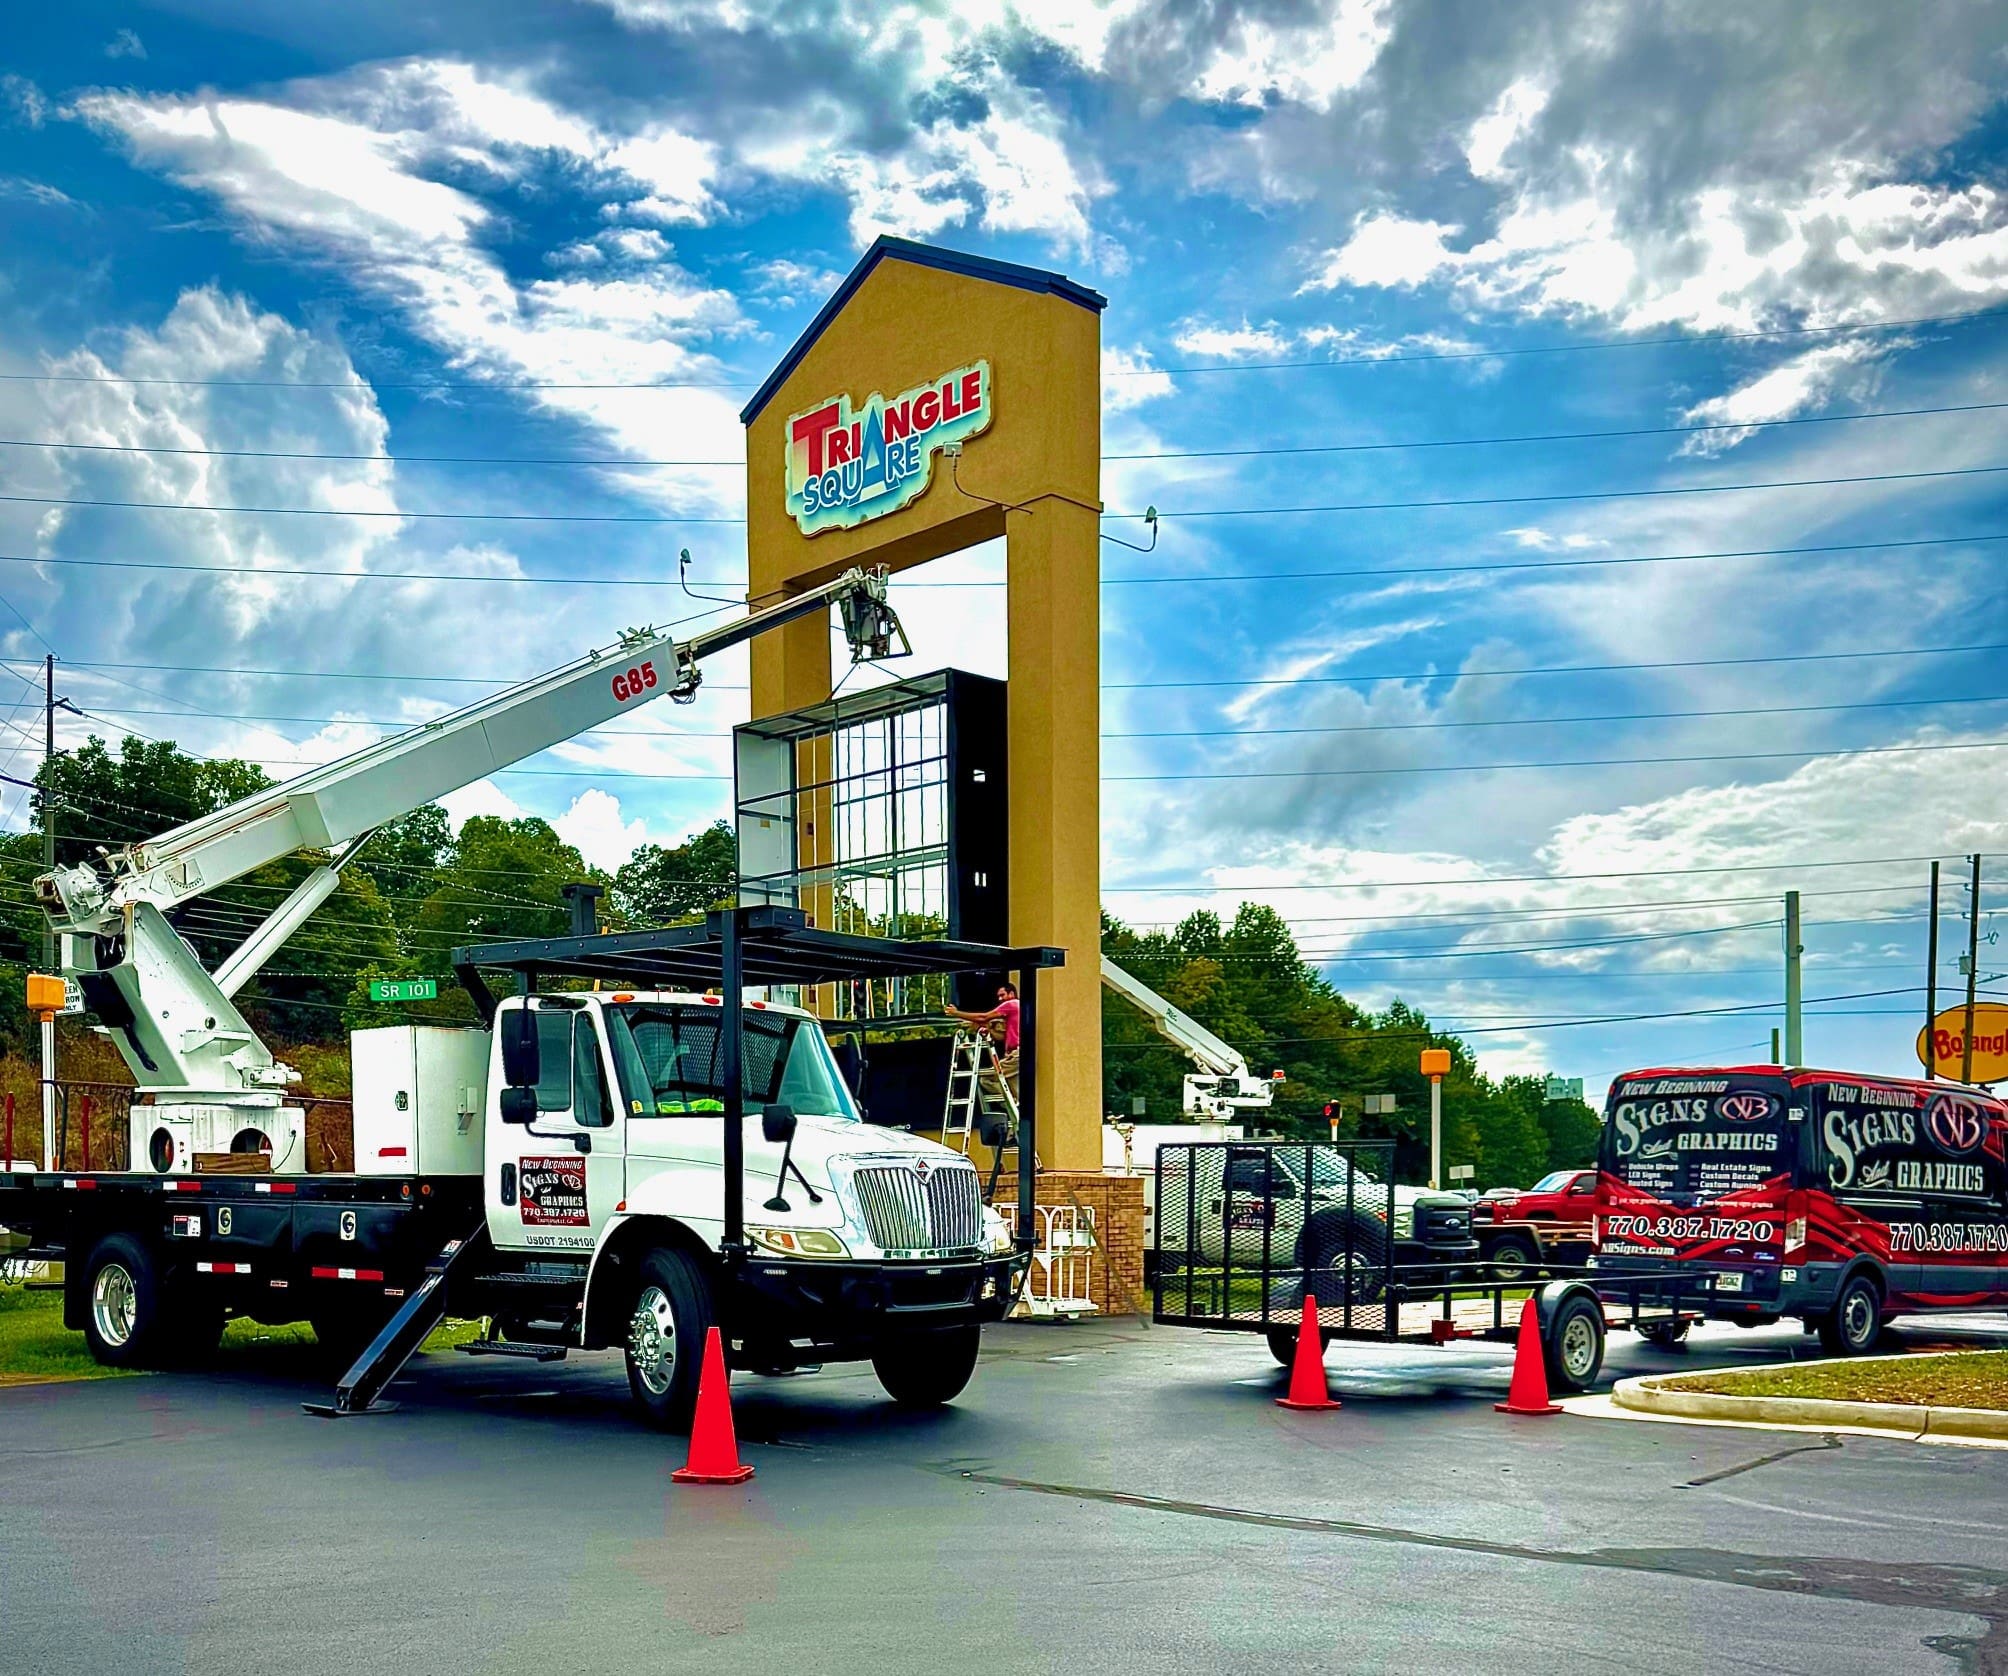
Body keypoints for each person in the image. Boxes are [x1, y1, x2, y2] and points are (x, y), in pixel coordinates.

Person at [946, 981, 1020, 1105]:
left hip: (1016, 1055)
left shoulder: (1012, 1004)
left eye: (1002, 995)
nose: (1000, 999)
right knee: (1013, 1089)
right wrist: (985, 1028)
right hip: (1013, 1056)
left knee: (986, 1079)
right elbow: (1001, 1037)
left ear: (1011, 993)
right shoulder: (1013, 1012)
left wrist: (957, 1013)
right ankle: (1015, 1110)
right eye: (998, 996)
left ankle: (1011, 1102)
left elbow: (983, 1017)